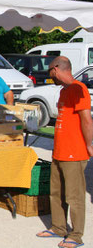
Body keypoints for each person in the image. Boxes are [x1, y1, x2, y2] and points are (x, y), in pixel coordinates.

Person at [36, 56, 93, 248]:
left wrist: (89, 144)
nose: (50, 77)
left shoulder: (79, 89)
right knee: (56, 192)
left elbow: (86, 120)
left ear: (57, 69)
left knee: (74, 195)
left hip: (74, 152)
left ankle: (76, 235)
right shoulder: (64, 91)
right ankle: (58, 227)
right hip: (59, 151)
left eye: (50, 72)